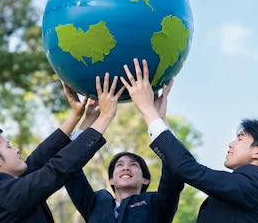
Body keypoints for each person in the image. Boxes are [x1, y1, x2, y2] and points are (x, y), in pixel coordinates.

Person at [120, 58, 258, 223]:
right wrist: (160, 119)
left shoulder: (257, 184)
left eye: (240, 139)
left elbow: (188, 169)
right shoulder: (248, 187)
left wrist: (147, 110)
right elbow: (183, 166)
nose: (231, 144)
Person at [0, 73, 124, 223]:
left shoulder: (0, 195)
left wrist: (80, 117)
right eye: (8, 146)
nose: (16, 150)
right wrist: (105, 117)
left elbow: (39, 159)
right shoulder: (0, 194)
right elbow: (56, 170)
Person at [64, 94, 184, 223]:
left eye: (133, 165)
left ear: (145, 179)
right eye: (119, 165)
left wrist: (159, 119)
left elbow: (173, 172)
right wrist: (88, 119)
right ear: (111, 180)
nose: (126, 167)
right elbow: (68, 166)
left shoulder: (156, 204)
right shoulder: (93, 203)